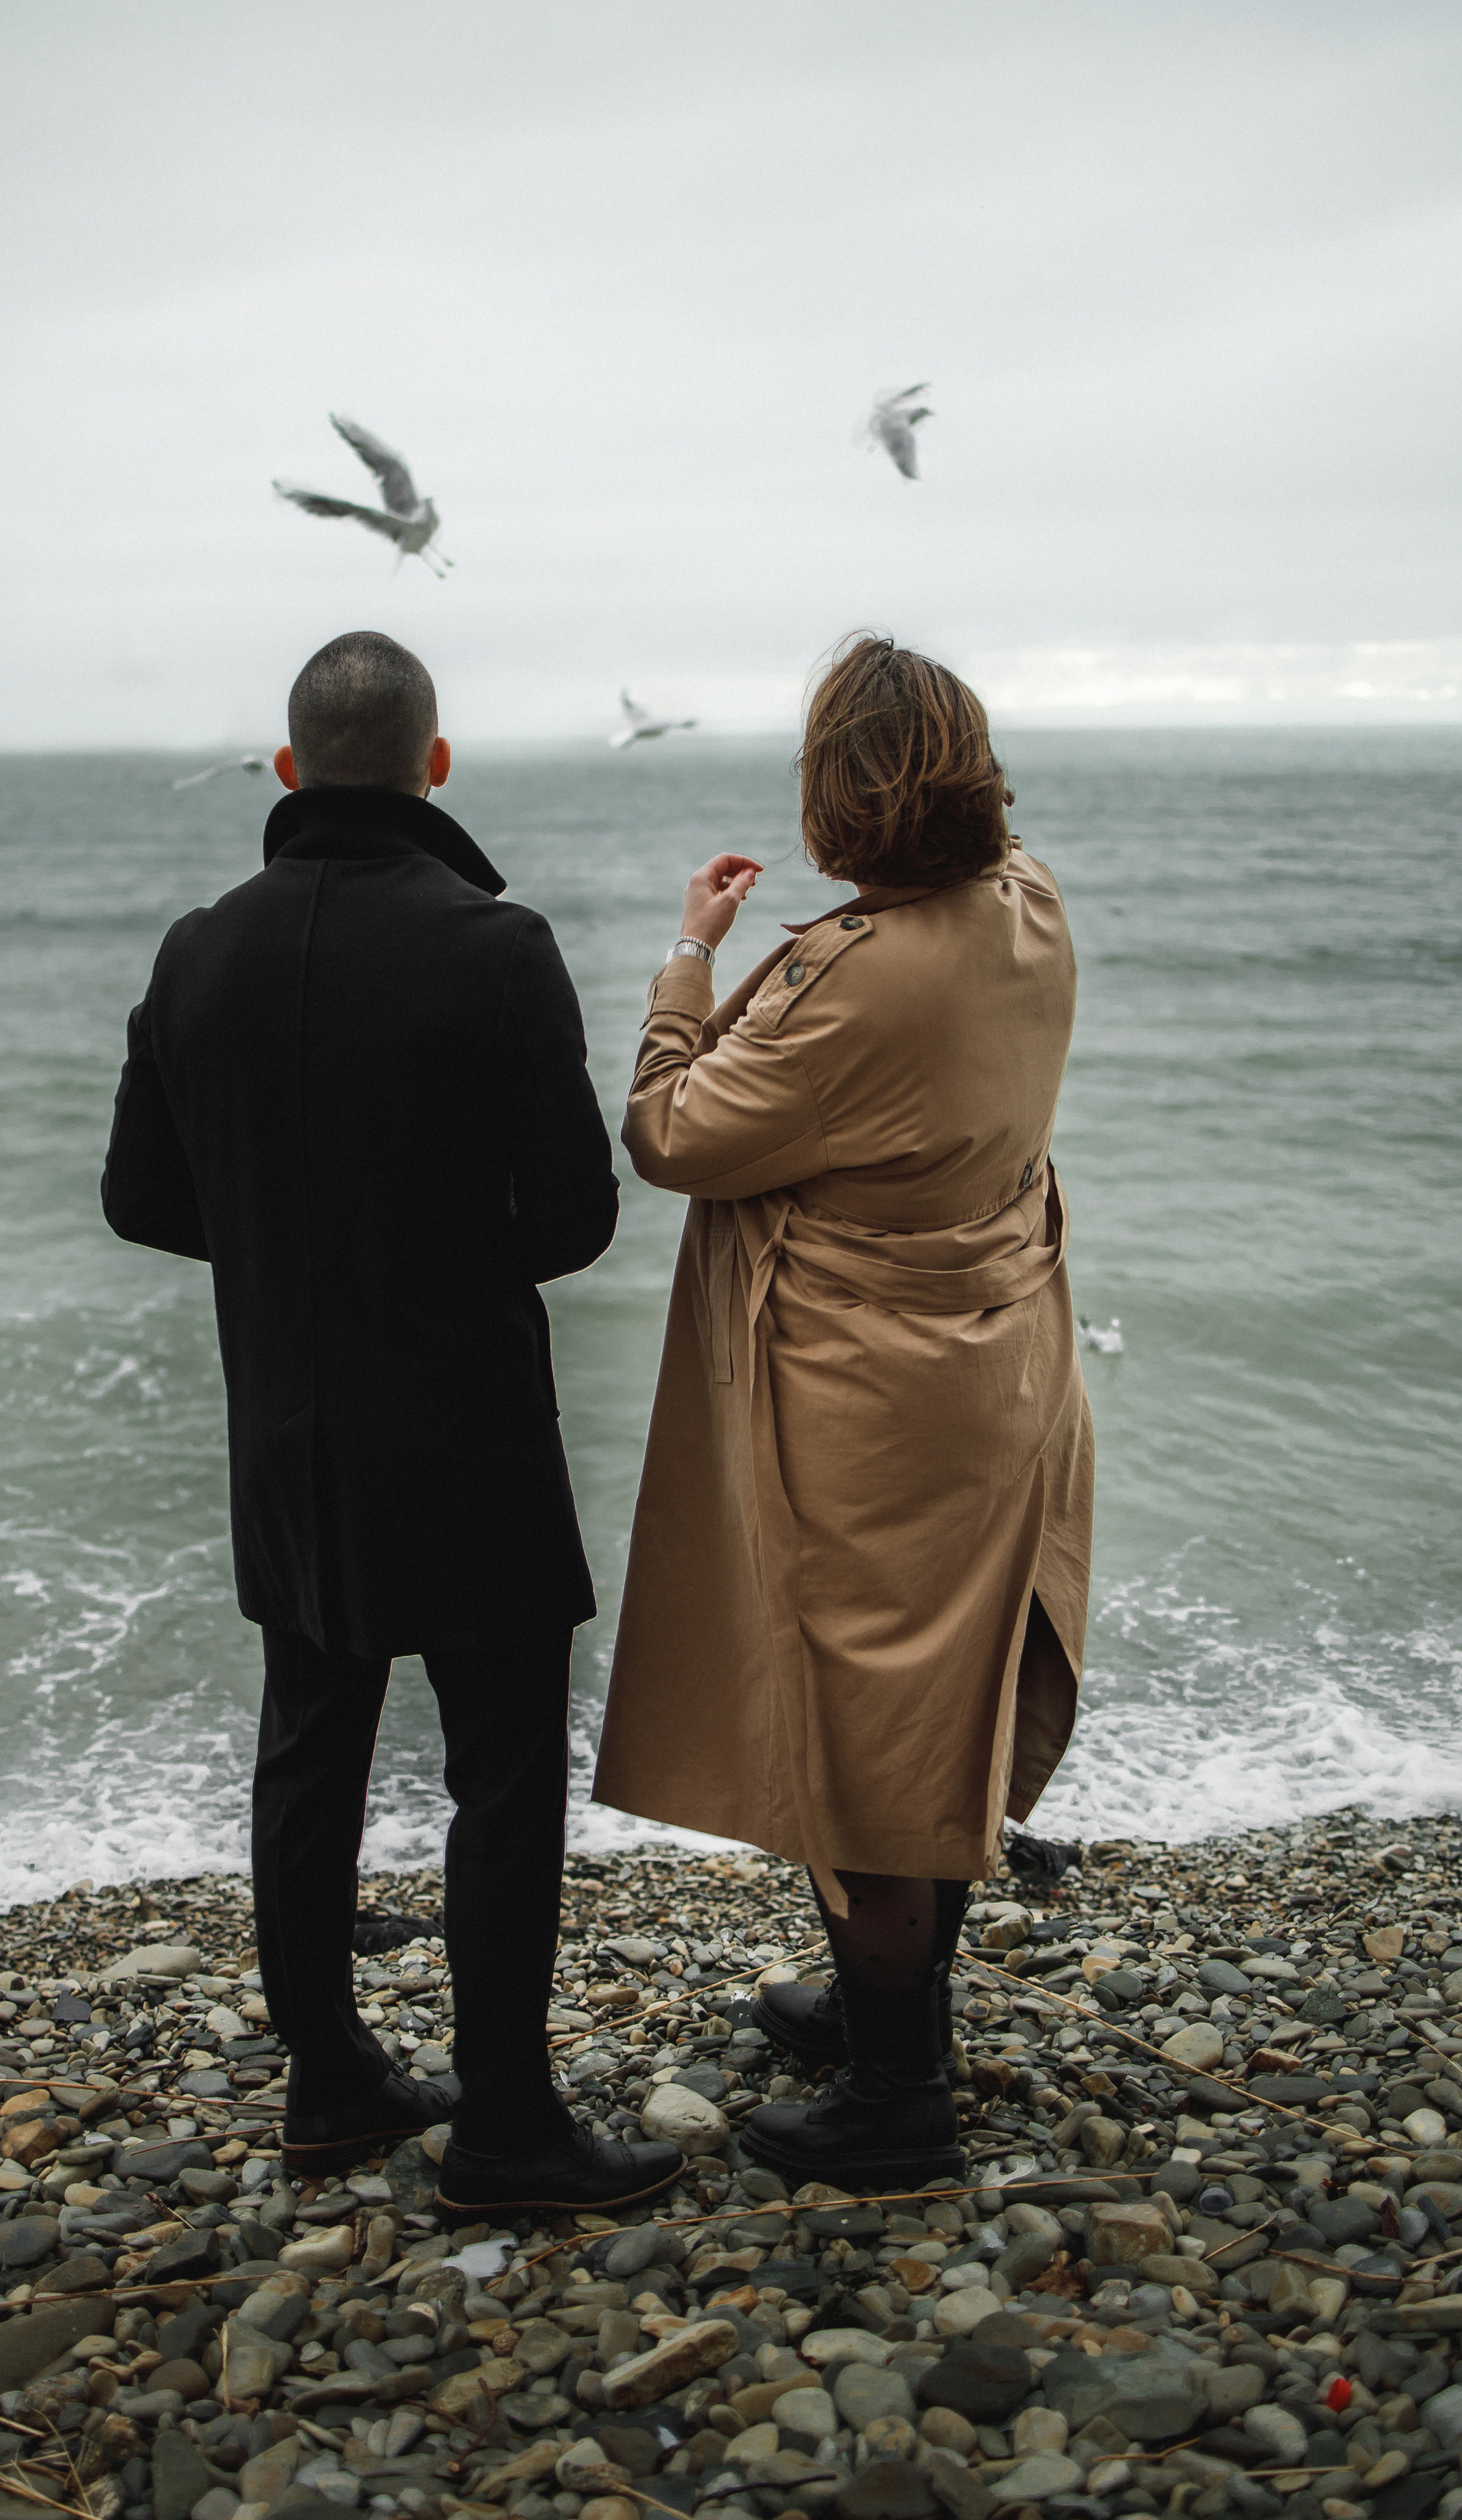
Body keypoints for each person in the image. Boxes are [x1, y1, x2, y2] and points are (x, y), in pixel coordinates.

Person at [102, 630, 683, 2217]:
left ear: (288, 771)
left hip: (285, 1426)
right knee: (498, 1766)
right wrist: (417, 1256)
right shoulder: (494, 947)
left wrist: (298, 1258)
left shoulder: (193, 949)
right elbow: (570, 1220)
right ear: (434, 763)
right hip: (462, 1425)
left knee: (310, 1743)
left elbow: (140, 1197)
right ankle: (502, 2127)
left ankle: (332, 2083)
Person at [592, 634, 1094, 2190]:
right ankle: (889, 2008)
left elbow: (672, 1136)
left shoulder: (854, 982)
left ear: (833, 792)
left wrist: (690, 960)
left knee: (866, 1715)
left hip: (866, 1398)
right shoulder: (1028, 905)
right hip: (1001, 1364)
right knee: (932, 1696)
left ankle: (895, 2092)